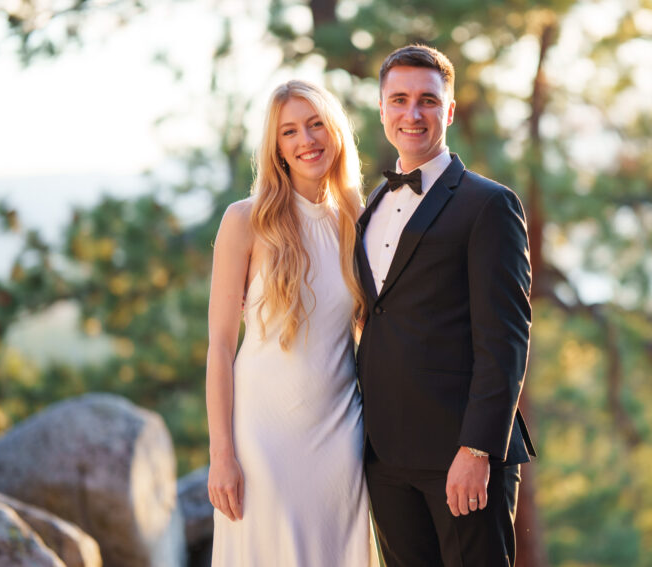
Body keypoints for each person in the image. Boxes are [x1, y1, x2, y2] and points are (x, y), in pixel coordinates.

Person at [355, 44, 537, 566]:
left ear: (449, 111)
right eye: (399, 99)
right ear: (382, 107)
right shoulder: (372, 203)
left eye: (428, 101)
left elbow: (505, 340)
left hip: (461, 455)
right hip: (385, 458)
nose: (413, 114)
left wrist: (477, 449)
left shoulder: (489, 204)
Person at [205, 80, 377, 567]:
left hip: (340, 437)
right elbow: (219, 346)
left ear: (335, 131)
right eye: (290, 132)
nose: (307, 140)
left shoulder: (359, 221)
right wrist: (222, 455)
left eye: (316, 124)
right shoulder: (244, 221)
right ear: (276, 148)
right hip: (261, 439)